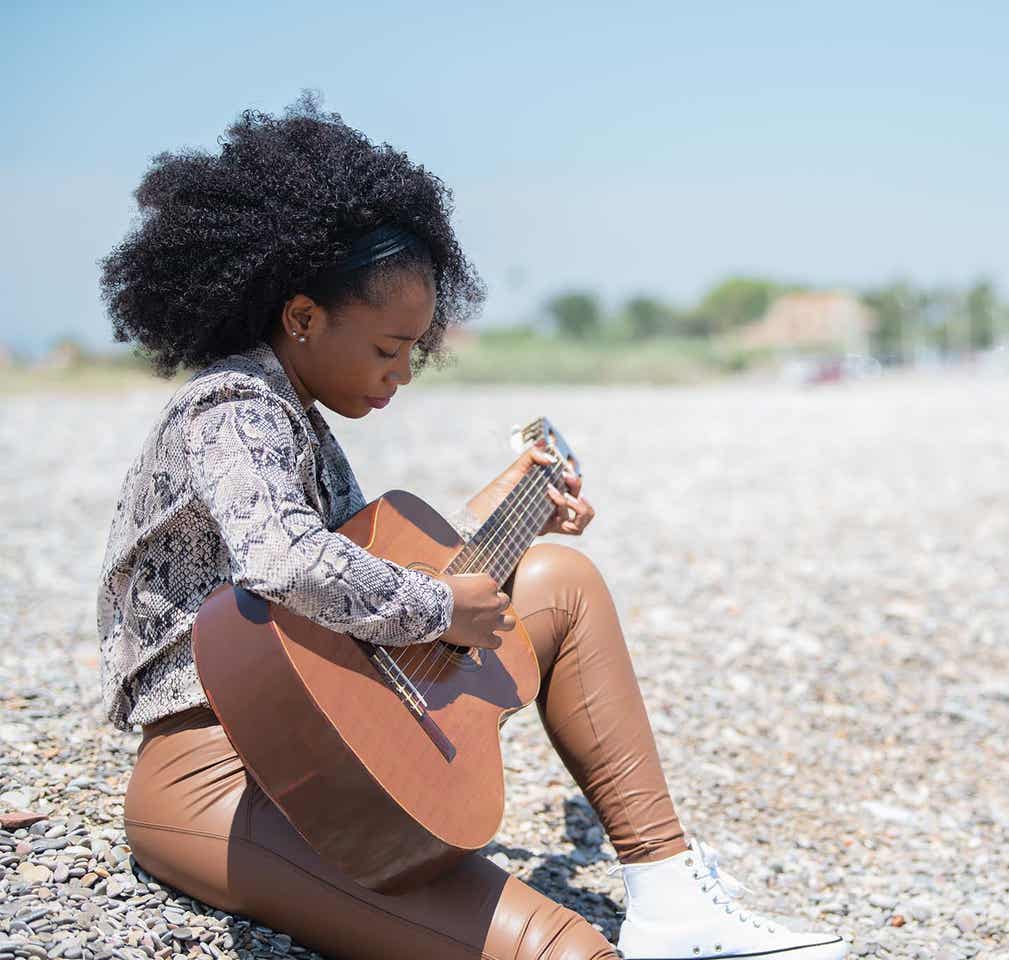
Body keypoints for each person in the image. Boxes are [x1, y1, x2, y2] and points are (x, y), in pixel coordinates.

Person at [94, 93, 847, 960]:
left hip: (336, 755)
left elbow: (369, 594)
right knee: (567, 952)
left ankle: (670, 886)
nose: (405, 372)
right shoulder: (230, 409)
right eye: (387, 348)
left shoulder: (299, 422)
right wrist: (441, 610)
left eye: (416, 348)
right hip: (220, 784)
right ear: (301, 318)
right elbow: (285, 562)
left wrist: (516, 507)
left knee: (560, 581)